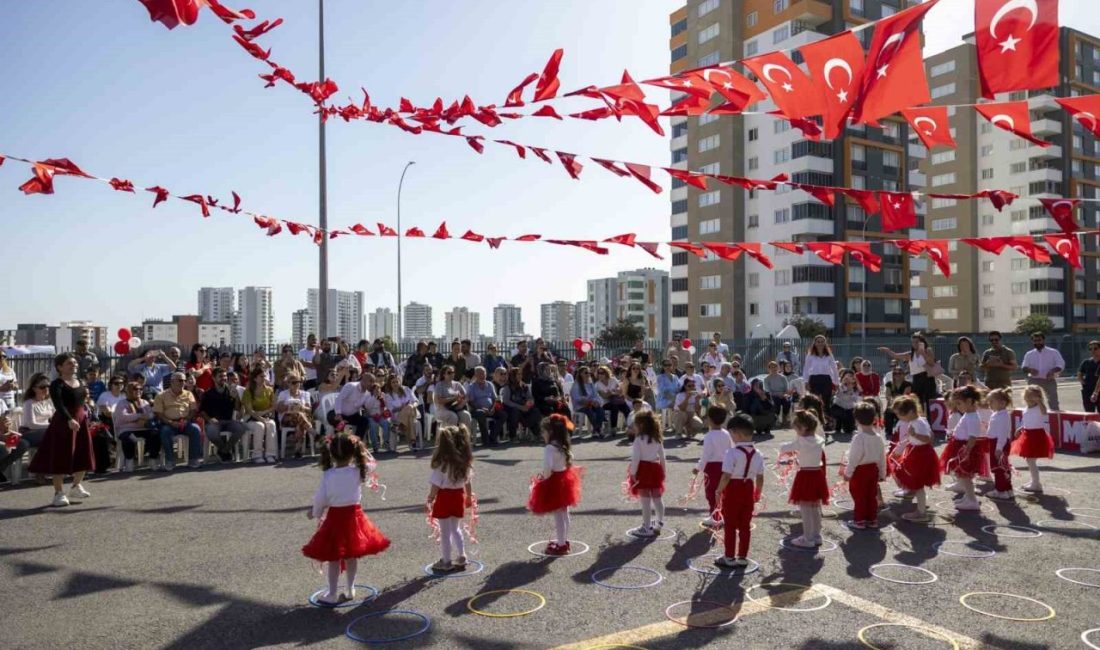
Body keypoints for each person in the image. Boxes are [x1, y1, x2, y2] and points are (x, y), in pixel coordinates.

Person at [301, 434, 390, 605]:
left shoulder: (328, 475)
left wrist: (314, 512)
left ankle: (333, 593)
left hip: (335, 519)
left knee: (334, 558)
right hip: (354, 519)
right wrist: (361, 449)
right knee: (351, 556)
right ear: (353, 453)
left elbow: (321, 498)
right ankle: (350, 589)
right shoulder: (358, 471)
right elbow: (371, 464)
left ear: (332, 454)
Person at [27, 354, 95, 506]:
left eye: (75, 362)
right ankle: (58, 493)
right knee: (61, 457)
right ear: (60, 367)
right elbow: (58, 404)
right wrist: (69, 419)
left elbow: (83, 400)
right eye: (69, 363)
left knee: (83, 453)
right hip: (63, 423)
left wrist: (86, 413)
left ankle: (76, 486)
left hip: (81, 420)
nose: (74, 365)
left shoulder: (81, 381)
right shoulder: (57, 384)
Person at [526, 414, 584, 556]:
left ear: (550, 432)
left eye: (544, 431)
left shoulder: (549, 448)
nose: (542, 434)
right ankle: (564, 540)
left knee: (558, 515)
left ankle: (561, 544)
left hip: (554, 481)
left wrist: (544, 479)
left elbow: (547, 467)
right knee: (565, 512)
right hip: (565, 479)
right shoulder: (563, 445)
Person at [713, 414, 764, 569]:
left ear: (737, 433)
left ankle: (729, 556)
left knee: (730, 524)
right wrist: (758, 493)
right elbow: (760, 477)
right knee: (744, 525)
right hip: (748, 487)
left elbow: (726, 475)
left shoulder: (731, 453)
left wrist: (718, 490)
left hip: (734, 489)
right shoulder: (758, 454)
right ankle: (742, 556)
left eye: (732, 434)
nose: (732, 438)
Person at [426, 425, 475, 573]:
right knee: (456, 529)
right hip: (458, 497)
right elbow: (468, 482)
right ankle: (462, 556)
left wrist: (431, 497)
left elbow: (436, 484)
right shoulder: (464, 462)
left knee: (445, 532)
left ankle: (446, 561)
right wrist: (468, 497)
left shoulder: (442, 463)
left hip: (445, 497)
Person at [781, 410, 829, 548]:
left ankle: (807, 538)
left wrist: (784, 447)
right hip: (817, 474)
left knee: (805, 508)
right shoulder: (820, 440)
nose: (796, 431)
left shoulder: (801, 441)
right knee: (815, 506)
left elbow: (785, 448)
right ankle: (816, 535)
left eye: (796, 428)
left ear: (803, 428)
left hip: (805, 475)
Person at [890, 396, 940, 522]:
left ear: (911, 412)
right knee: (916, 482)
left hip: (920, 455)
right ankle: (920, 509)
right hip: (916, 452)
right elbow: (912, 438)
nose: (900, 418)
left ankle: (921, 512)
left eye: (901, 415)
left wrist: (915, 435)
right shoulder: (916, 421)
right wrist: (900, 448)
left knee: (918, 484)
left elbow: (928, 439)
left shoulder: (918, 423)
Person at [939, 386, 988, 512]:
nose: (957, 406)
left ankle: (972, 501)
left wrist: (966, 450)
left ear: (970, 401)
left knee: (966, 476)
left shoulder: (972, 417)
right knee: (962, 475)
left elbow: (973, 436)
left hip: (965, 448)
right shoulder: (968, 414)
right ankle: (968, 496)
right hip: (960, 446)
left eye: (959, 403)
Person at [844, 403, 887, 529]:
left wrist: (848, 473)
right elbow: (882, 458)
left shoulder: (859, 438)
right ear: (874, 418)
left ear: (856, 420)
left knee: (859, 496)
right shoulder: (878, 437)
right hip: (873, 470)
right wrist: (882, 473)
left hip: (860, 471)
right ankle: (872, 519)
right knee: (871, 495)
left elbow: (853, 458)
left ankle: (859, 520)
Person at [879, 333, 939, 418]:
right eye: (913, 342)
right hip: (917, 379)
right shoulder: (911, 354)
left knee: (929, 401)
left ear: (922, 342)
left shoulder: (928, 350)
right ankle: (919, 420)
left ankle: (930, 422)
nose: (915, 344)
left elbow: (932, 362)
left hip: (927, 377)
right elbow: (896, 355)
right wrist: (888, 350)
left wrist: (922, 353)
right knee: (917, 401)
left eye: (917, 342)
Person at [627, 411, 666, 537]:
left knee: (645, 500)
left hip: (643, 469)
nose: (634, 426)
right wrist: (663, 472)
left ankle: (647, 527)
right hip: (655, 468)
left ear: (641, 425)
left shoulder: (639, 439)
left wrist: (632, 472)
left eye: (636, 424)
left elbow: (636, 458)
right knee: (657, 498)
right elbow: (662, 457)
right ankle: (659, 522)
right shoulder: (656, 437)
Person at [153, 372, 203, 471]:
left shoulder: (189, 394)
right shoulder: (161, 395)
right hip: (169, 422)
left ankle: (193, 459)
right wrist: (171, 422)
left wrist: (186, 420)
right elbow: (159, 414)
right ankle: (170, 460)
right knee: (165, 431)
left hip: (185, 421)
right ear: (172, 381)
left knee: (196, 429)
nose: (183, 383)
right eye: (180, 380)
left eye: (184, 380)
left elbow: (193, 410)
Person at [693, 405, 732, 528]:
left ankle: (715, 516)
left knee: (711, 492)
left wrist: (698, 467)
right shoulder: (726, 433)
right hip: (725, 466)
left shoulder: (709, 436)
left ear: (709, 419)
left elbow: (706, 455)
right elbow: (731, 450)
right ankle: (722, 514)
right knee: (722, 491)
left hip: (712, 467)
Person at [1012, 385, 1054, 494]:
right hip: (1028, 435)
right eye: (1027, 396)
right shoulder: (1026, 409)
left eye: (1032, 397)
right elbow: (1027, 421)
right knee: (1029, 460)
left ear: (1038, 397)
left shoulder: (1040, 407)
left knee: (1030, 460)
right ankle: (1034, 481)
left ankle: (1036, 484)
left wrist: (1039, 402)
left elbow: (1044, 412)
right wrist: (1020, 428)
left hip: (1037, 436)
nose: (1029, 399)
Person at [199, 367, 244, 462]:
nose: (223, 378)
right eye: (220, 376)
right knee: (211, 431)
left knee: (241, 428)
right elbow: (202, 411)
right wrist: (209, 419)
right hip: (214, 422)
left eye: (224, 376)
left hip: (228, 421)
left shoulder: (230, 391)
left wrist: (236, 398)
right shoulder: (208, 393)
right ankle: (226, 451)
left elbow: (237, 408)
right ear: (213, 378)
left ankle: (223, 451)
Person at [114, 380, 161, 471]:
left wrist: (139, 418)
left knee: (156, 435)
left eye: (140, 389)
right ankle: (129, 461)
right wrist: (139, 416)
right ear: (129, 391)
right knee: (128, 438)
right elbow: (123, 417)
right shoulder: (122, 403)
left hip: (143, 428)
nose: (139, 391)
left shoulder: (144, 402)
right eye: (135, 389)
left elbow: (151, 415)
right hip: (126, 429)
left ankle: (152, 459)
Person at [1021, 332, 1064, 412]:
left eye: (1039, 340)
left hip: (1049, 380)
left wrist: (1052, 371)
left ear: (1044, 340)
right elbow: (1024, 367)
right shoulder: (1029, 354)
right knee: (1032, 402)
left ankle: (1055, 421)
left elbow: (1061, 365)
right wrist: (1030, 370)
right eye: (1035, 341)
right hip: (1034, 381)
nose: (1037, 342)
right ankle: (1034, 418)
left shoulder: (1053, 352)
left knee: (1053, 402)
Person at [91, 375, 126, 473]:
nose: (119, 385)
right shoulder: (105, 395)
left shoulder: (124, 396)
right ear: (111, 385)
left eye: (121, 383)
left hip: (121, 420)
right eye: (116, 383)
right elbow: (107, 412)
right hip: (106, 420)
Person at [242, 371, 278, 463]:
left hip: (265, 416)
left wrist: (263, 413)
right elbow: (250, 410)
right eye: (261, 376)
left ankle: (270, 454)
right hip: (250, 418)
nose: (264, 378)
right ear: (255, 379)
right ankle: (257, 455)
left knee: (272, 424)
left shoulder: (269, 390)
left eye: (264, 376)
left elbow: (274, 406)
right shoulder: (248, 391)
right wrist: (261, 418)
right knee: (259, 426)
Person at [985, 388, 1015, 500]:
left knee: (998, 468)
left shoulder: (1002, 416)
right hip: (997, 442)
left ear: (1002, 403)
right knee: (1004, 466)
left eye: (992, 401)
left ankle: (1000, 490)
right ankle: (1008, 489)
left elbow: (1002, 433)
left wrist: (998, 448)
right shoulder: (997, 414)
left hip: (998, 443)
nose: (989, 404)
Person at [277, 372, 314, 458]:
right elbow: (278, 409)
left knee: (299, 422)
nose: (296, 384)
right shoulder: (283, 394)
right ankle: (313, 432)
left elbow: (309, 410)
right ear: (288, 383)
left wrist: (301, 407)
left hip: (302, 419)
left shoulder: (305, 394)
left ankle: (297, 450)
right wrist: (290, 407)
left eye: (298, 382)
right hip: (286, 418)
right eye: (293, 382)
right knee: (298, 415)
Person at [803, 335, 840, 415]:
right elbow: (806, 369)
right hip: (814, 380)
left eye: (822, 341)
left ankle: (827, 422)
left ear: (825, 343)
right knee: (814, 402)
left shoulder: (829, 355)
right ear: (815, 343)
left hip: (826, 380)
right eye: (818, 342)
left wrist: (836, 382)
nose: (820, 343)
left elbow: (834, 369)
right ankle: (815, 421)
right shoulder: (810, 355)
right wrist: (806, 382)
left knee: (826, 401)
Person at [501, 367, 540, 442]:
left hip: (524, 407)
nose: (520, 376)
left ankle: (536, 433)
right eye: (518, 374)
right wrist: (520, 407)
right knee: (515, 412)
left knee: (536, 411)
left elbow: (530, 397)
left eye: (520, 374)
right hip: (513, 408)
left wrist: (530, 402)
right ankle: (513, 436)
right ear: (513, 375)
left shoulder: (524, 386)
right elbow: (506, 401)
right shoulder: (508, 386)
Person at [381, 374, 419, 451]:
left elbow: (416, 401)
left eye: (397, 381)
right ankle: (413, 441)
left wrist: (412, 406)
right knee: (410, 419)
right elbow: (391, 410)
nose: (395, 384)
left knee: (409, 408)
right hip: (397, 416)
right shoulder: (388, 395)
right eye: (393, 382)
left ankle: (398, 427)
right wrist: (401, 408)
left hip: (412, 411)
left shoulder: (407, 389)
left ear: (400, 382)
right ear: (390, 384)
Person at [434, 365, 474, 433]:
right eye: (449, 372)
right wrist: (453, 398)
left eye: (453, 372)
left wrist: (462, 404)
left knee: (466, 415)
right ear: (444, 374)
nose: (451, 374)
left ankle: (466, 439)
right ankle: (452, 439)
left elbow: (467, 396)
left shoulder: (457, 384)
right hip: (443, 409)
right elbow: (439, 400)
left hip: (456, 408)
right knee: (453, 417)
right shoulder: (439, 385)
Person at [466, 367, 499, 446]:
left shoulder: (490, 384)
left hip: (491, 409)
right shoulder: (471, 386)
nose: (482, 375)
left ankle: (492, 437)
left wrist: (493, 408)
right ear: (475, 375)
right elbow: (471, 402)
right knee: (480, 414)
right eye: (480, 373)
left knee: (503, 414)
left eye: (484, 373)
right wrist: (481, 408)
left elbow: (495, 399)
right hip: (477, 410)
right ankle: (485, 440)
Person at [570, 366, 605, 438]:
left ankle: (595, 431)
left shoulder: (591, 384)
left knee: (600, 409)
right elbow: (576, 398)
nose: (588, 374)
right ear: (580, 374)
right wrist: (588, 401)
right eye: (586, 372)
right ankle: (598, 430)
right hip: (580, 406)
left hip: (591, 404)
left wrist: (596, 402)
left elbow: (595, 395)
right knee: (589, 410)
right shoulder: (576, 384)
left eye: (589, 372)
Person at [595, 366, 629, 433]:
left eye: (602, 373)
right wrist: (614, 392)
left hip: (616, 400)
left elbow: (620, 390)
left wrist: (612, 393)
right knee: (614, 406)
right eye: (599, 373)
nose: (600, 375)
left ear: (606, 373)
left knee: (625, 407)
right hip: (605, 403)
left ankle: (630, 426)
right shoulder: (597, 384)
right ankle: (614, 427)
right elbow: (604, 396)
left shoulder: (613, 380)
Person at [0, 408, 29, 483]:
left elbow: (4, 421)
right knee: (3, 448)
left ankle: (2, 467)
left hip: (2, 434)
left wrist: (6, 426)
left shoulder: (1, 402)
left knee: (23, 444)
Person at [829, 371, 860, 436]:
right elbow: (837, 393)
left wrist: (851, 391)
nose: (848, 379)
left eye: (850, 377)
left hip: (849, 408)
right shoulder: (839, 386)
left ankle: (848, 425)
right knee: (839, 414)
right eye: (846, 377)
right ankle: (837, 426)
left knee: (849, 430)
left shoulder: (856, 388)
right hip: (838, 407)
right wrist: (844, 386)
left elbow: (856, 399)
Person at [1079, 341, 1100, 414]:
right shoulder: (1086, 362)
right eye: (1090, 349)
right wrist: (1082, 381)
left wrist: (1096, 392)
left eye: (1095, 348)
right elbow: (1080, 373)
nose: (1092, 351)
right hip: (1088, 391)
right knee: (1089, 414)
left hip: (1098, 391)